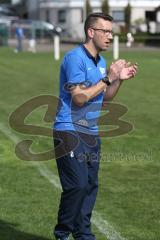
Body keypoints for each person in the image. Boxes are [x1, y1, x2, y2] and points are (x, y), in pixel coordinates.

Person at [53, 12, 138, 240]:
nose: (110, 36)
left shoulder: (100, 61)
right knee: (78, 186)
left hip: (90, 133)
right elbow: (80, 98)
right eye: (106, 31)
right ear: (91, 32)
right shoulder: (75, 58)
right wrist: (108, 78)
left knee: (90, 187)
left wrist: (118, 79)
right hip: (69, 130)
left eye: (111, 31)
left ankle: (83, 235)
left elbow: (105, 96)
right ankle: (62, 234)